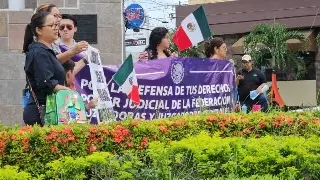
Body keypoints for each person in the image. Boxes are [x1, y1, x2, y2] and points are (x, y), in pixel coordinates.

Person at [23, 12, 70, 126]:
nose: (56, 29)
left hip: (51, 109)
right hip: (42, 112)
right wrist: (70, 92)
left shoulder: (46, 51)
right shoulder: (39, 52)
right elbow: (47, 82)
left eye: (56, 25)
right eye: (51, 26)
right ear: (39, 30)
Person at [36, 4, 88, 72]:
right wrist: (74, 52)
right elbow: (50, 64)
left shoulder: (53, 44)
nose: (59, 20)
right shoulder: (38, 48)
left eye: (59, 16)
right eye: (55, 16)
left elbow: (66, 72)